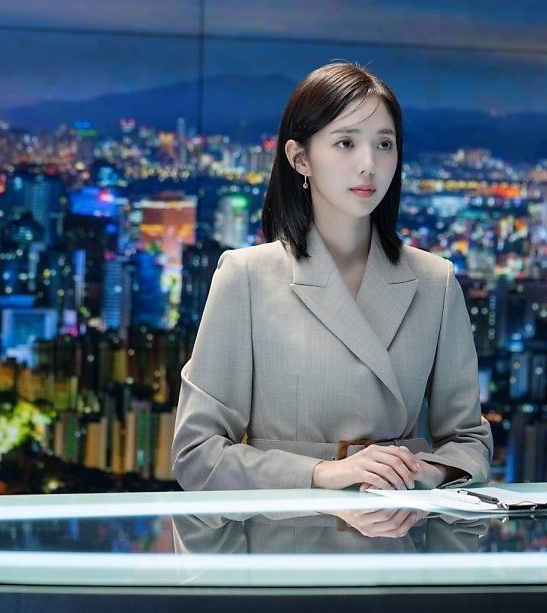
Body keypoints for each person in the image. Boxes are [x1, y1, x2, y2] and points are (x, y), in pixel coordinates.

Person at [171, 62, 492, 491]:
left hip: (399, 522)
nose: (368, 164)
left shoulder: (435, 281)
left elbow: (469, 440)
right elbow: (197, 454)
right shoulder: (247, 276)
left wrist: (422, 472)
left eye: (384, 144)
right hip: (286, 527)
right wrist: (323, 475)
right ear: (300, 158)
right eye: (345, 143)